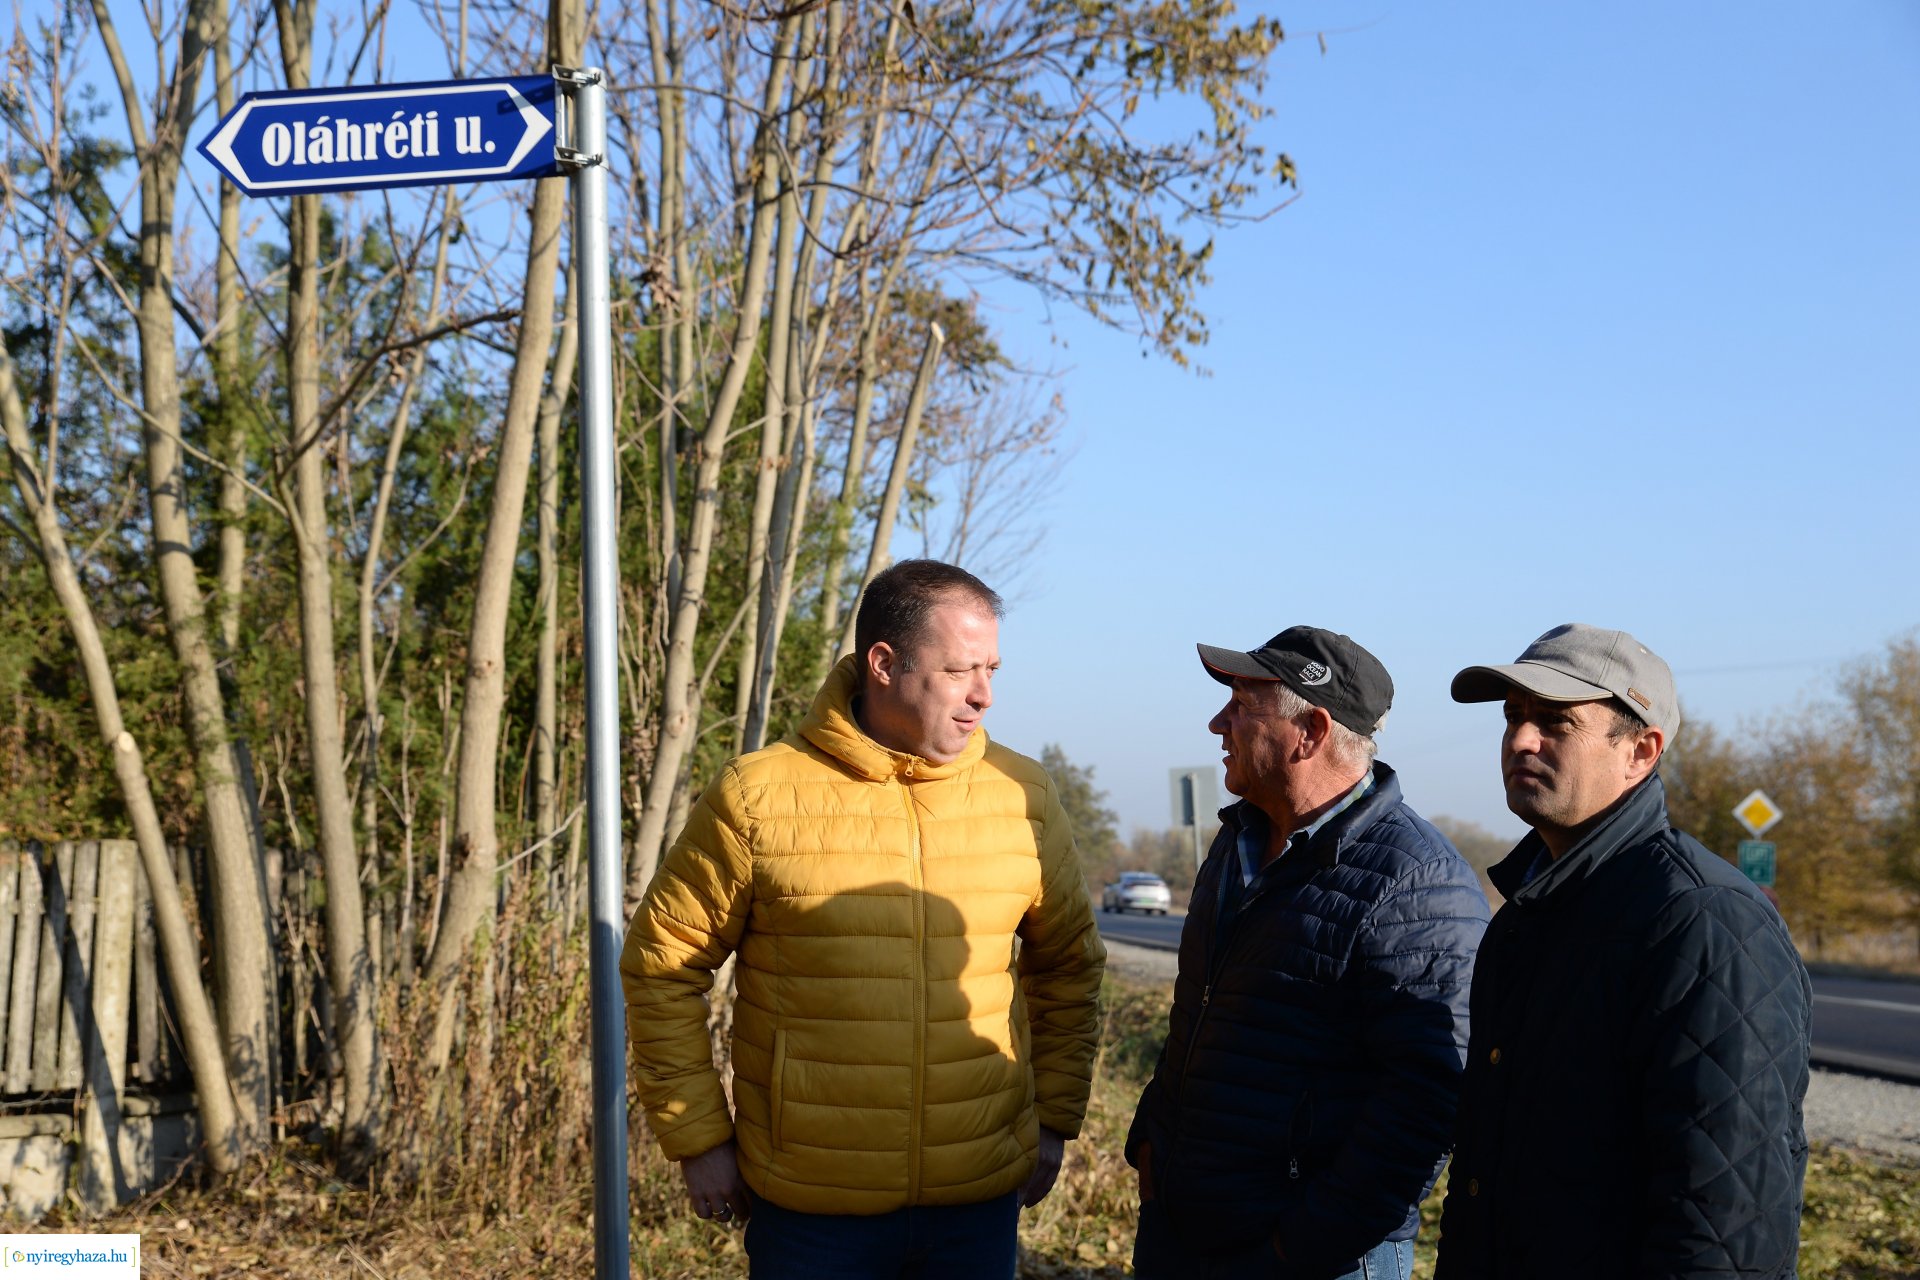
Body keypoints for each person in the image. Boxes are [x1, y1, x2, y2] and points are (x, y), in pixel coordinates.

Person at [621, 559, 1105, 1279]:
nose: (984, 695)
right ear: (883, 663)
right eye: (959, 669)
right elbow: (661, 967)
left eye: (992, 669)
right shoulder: (758, 796)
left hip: (976, 1205)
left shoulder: (1023, 795)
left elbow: (1068, 964)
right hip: (811, 1212)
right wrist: (698, 1139)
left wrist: (1054, 1120)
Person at [1437, 624, 1811, 1280]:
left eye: (1555, 722)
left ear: (1640, 751)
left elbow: (1725, 1219)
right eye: (1514, 717)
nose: (1521, 740)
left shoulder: (1702, 919)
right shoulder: (1527, 915)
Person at [1127, 626, 1488, 1280]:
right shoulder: (1234, 845)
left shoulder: (1419, 883)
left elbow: (1425, 1105)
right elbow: (1199, 1016)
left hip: (1313, 1257)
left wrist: (1299, 1249)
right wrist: (1152, 1145)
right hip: (1182, 1231)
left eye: (1242, 704)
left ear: (1312, 731)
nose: (1218, 722)